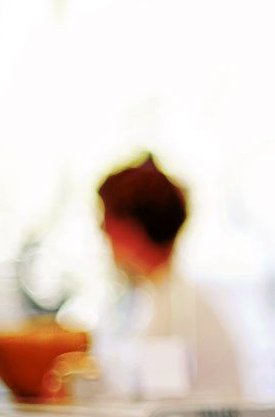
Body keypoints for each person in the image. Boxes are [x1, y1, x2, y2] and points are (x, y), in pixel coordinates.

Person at [94, 155, 244, 398]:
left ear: (131, 228)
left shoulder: (175, 313)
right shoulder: (163, 299)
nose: (102, 230)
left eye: (106, 219)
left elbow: (162, 409)